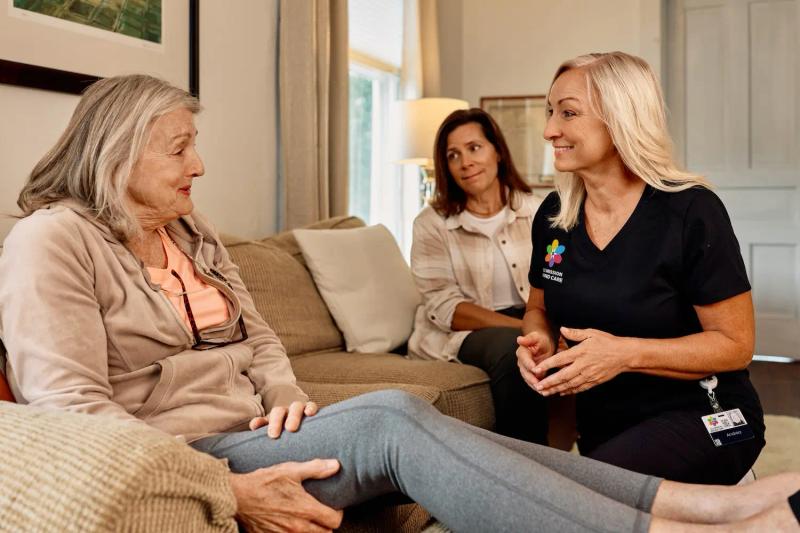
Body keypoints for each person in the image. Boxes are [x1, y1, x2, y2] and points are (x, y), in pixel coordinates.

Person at [1, 74, 798, 533]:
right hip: (190, 453)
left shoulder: (190, 231)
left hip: (261, 429)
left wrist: (281, 393)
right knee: (391, 416)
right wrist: (224, 490)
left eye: (567, 111)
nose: (200, 166)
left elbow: (265, 343)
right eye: (180, 147)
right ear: (114, 150)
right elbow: (70, 415)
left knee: (412, 415)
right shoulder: (53, 241)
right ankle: (671, 526)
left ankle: (704, 504)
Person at [516, 51, 766, 485]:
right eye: (551, 112)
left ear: (619, 119)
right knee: (566, 489)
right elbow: (539, 308)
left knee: (576, 492)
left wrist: (625, 354)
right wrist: (537, 339)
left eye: (568, 113)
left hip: (708, 415)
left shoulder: (691, 211)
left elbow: (735, 345)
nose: (549, 130)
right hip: (608, 428)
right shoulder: (555, 217)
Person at [407, 108, 549, 444]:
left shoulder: (540, 211)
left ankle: (600, 461)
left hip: (534, 316)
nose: (465, 162)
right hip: (466, 329)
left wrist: (547, 327)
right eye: (453, 155)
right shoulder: (430, 224)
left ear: (497, 150)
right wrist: (525, 330)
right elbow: (446, 308)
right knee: (514, 350)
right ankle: (525, 474)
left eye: (474, 148)